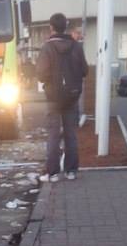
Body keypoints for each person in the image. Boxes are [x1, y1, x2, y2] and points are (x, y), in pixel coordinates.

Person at [36, 12, 88, 182]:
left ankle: (52, 173)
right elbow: (85, 71)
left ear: (51, 27)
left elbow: (41, 75)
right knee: (70, 134)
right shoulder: (76, 46)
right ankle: (71, 171)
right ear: (66, 27)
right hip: (72, 97)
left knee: (53, 135)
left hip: (53, 98)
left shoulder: (47, 48)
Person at [69, 24, 88, 127]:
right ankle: (74, 123)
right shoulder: (77, 47)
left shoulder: (63, 45)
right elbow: (83, 65)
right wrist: (84, 73)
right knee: (74, 103)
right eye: (77, 33)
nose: (79, 35)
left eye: (79, 33)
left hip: (64, 81)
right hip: (75, 80)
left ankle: (66, 124)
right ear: (72, 33)